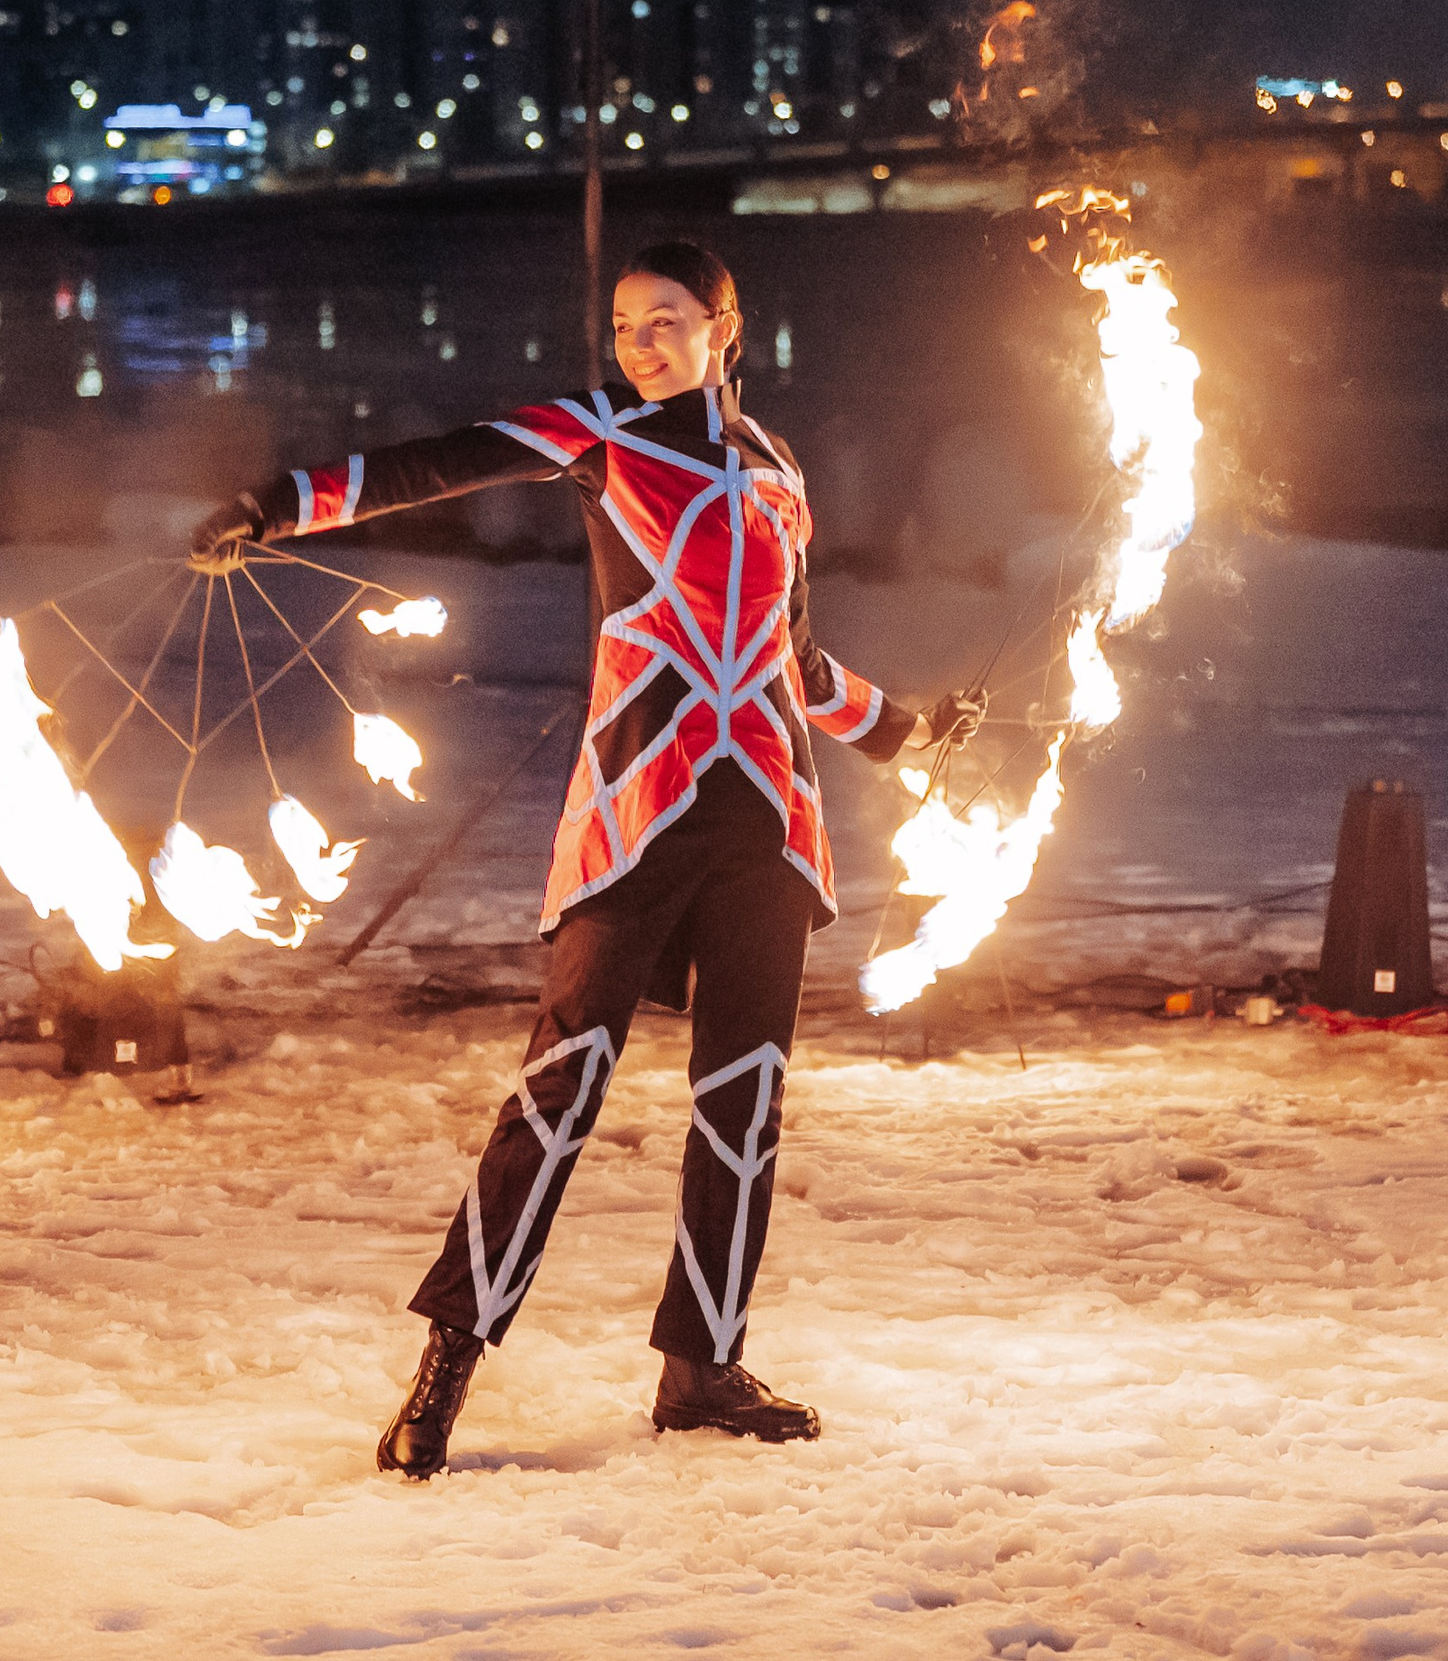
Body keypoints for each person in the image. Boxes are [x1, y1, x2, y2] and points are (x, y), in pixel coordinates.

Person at [191, 241, 985, 1478]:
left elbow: (794, 653)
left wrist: (904, 726)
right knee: (557, 1087)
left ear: (724, 325)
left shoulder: (779, 475)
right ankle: (443, 1370)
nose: (641, 343)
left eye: (666, 320)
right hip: (637, 804)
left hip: (768, 823)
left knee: (744, 1100)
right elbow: (439, 460)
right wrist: (277, 505)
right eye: (624, 325)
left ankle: (701, 1366)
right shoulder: (602, 434)